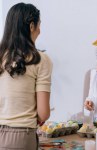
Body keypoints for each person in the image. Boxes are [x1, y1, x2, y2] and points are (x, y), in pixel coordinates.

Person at [0, 3, 52, 150]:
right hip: (21, 137)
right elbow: (43, 113)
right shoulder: (41, 60)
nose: (40, 30)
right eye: (39, 25)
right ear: (31, 26)